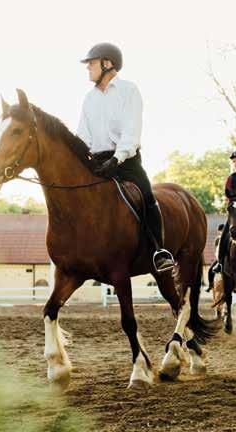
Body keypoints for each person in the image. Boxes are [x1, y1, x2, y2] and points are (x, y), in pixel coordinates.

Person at [77, 42, 174, 273]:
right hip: (97, 162)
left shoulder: (129, 91)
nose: (87, 68)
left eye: (91, 63)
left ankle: (159, 251)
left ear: (107, 63)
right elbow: (83, 135)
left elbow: (131, 133)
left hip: (125, 161)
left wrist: (116, 159)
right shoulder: (89, 99)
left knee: (148, 196)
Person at [206, 223, 225, 292]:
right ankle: (210, 285)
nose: (221, 232)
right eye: (220, 231)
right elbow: (216, 249)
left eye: (222, 230)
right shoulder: (217, 239)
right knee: (210, 270)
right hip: (218, 259)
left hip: (226, 259)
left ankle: (234, 286)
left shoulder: (227, 238)